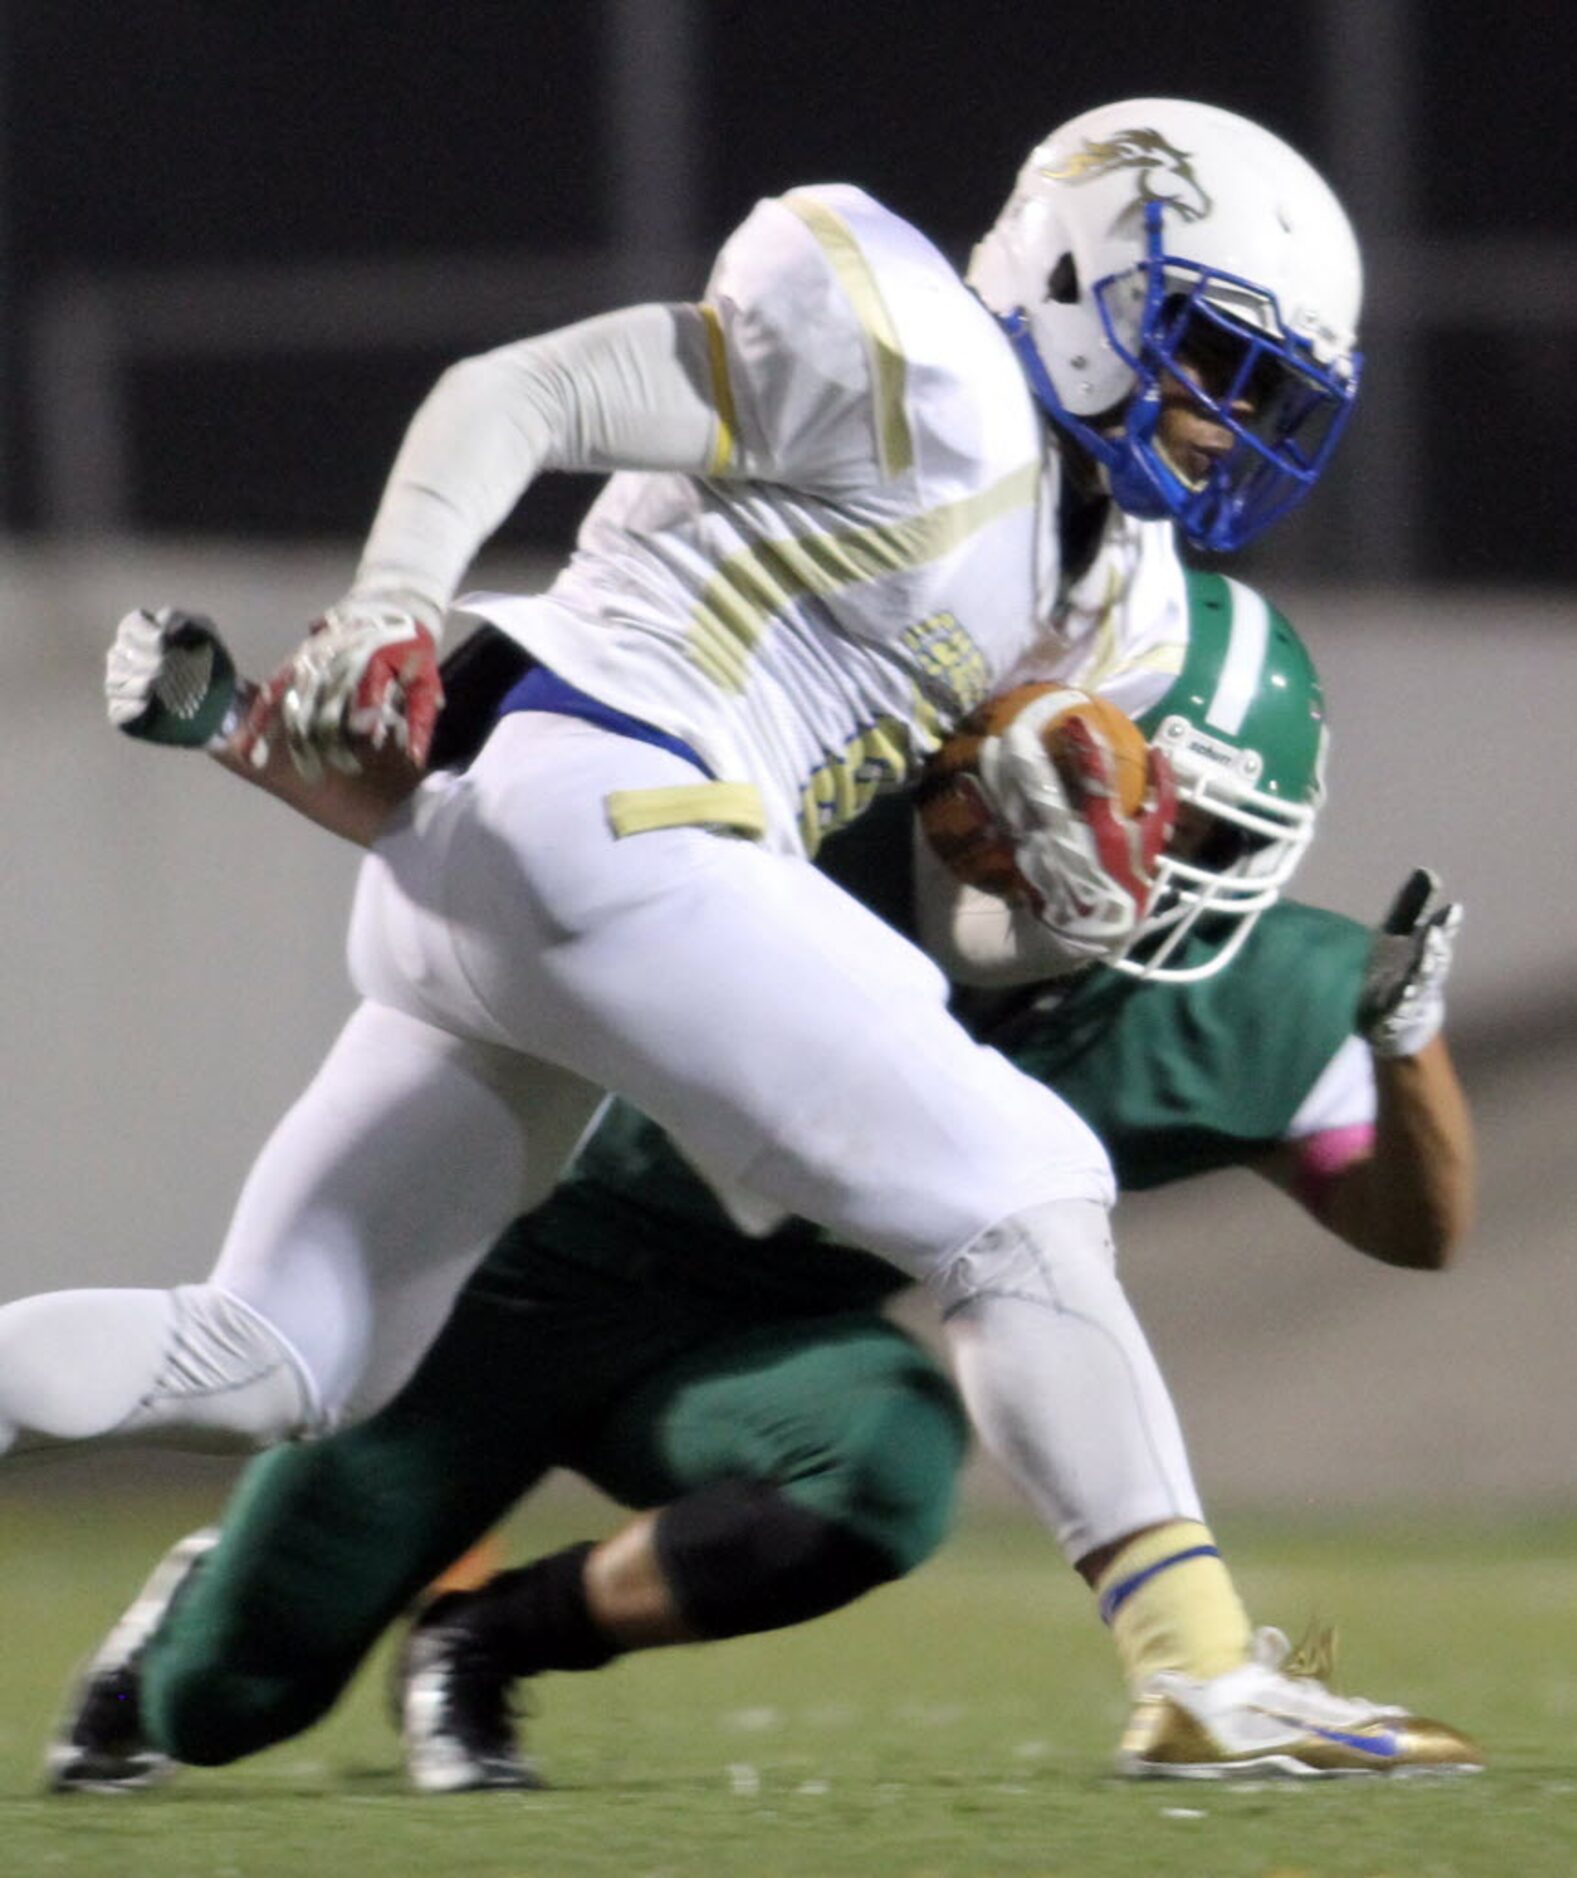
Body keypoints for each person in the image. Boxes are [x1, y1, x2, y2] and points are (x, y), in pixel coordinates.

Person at [3, 97, 1381, 1772]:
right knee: (1024, 1185)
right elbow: (524, 389)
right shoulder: (918, 352)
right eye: (1204, 360)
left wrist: (1044, 877)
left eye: (1257, 398)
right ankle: (1202, 1673)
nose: (1220, 425)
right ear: (1089, 272)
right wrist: (389, 595)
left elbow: (967, 887)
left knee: (271, 1354)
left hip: (511, 867)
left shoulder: (1103, 569)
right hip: (611, 805)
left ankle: (1204, 1678)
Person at [49, 579, 1477, 1789]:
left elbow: (1408, 1225)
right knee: (220, 1706)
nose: (1163, 873)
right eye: (1150, 807)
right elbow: (490, 728)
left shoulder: (1233, 987)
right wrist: (266, 714)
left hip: (742, 1340)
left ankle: (486, 1633)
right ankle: (205, 1591)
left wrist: (1405, 1044)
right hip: (495, 1282)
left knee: (886, 1456)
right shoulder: (805, 772)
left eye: (1212, 843)